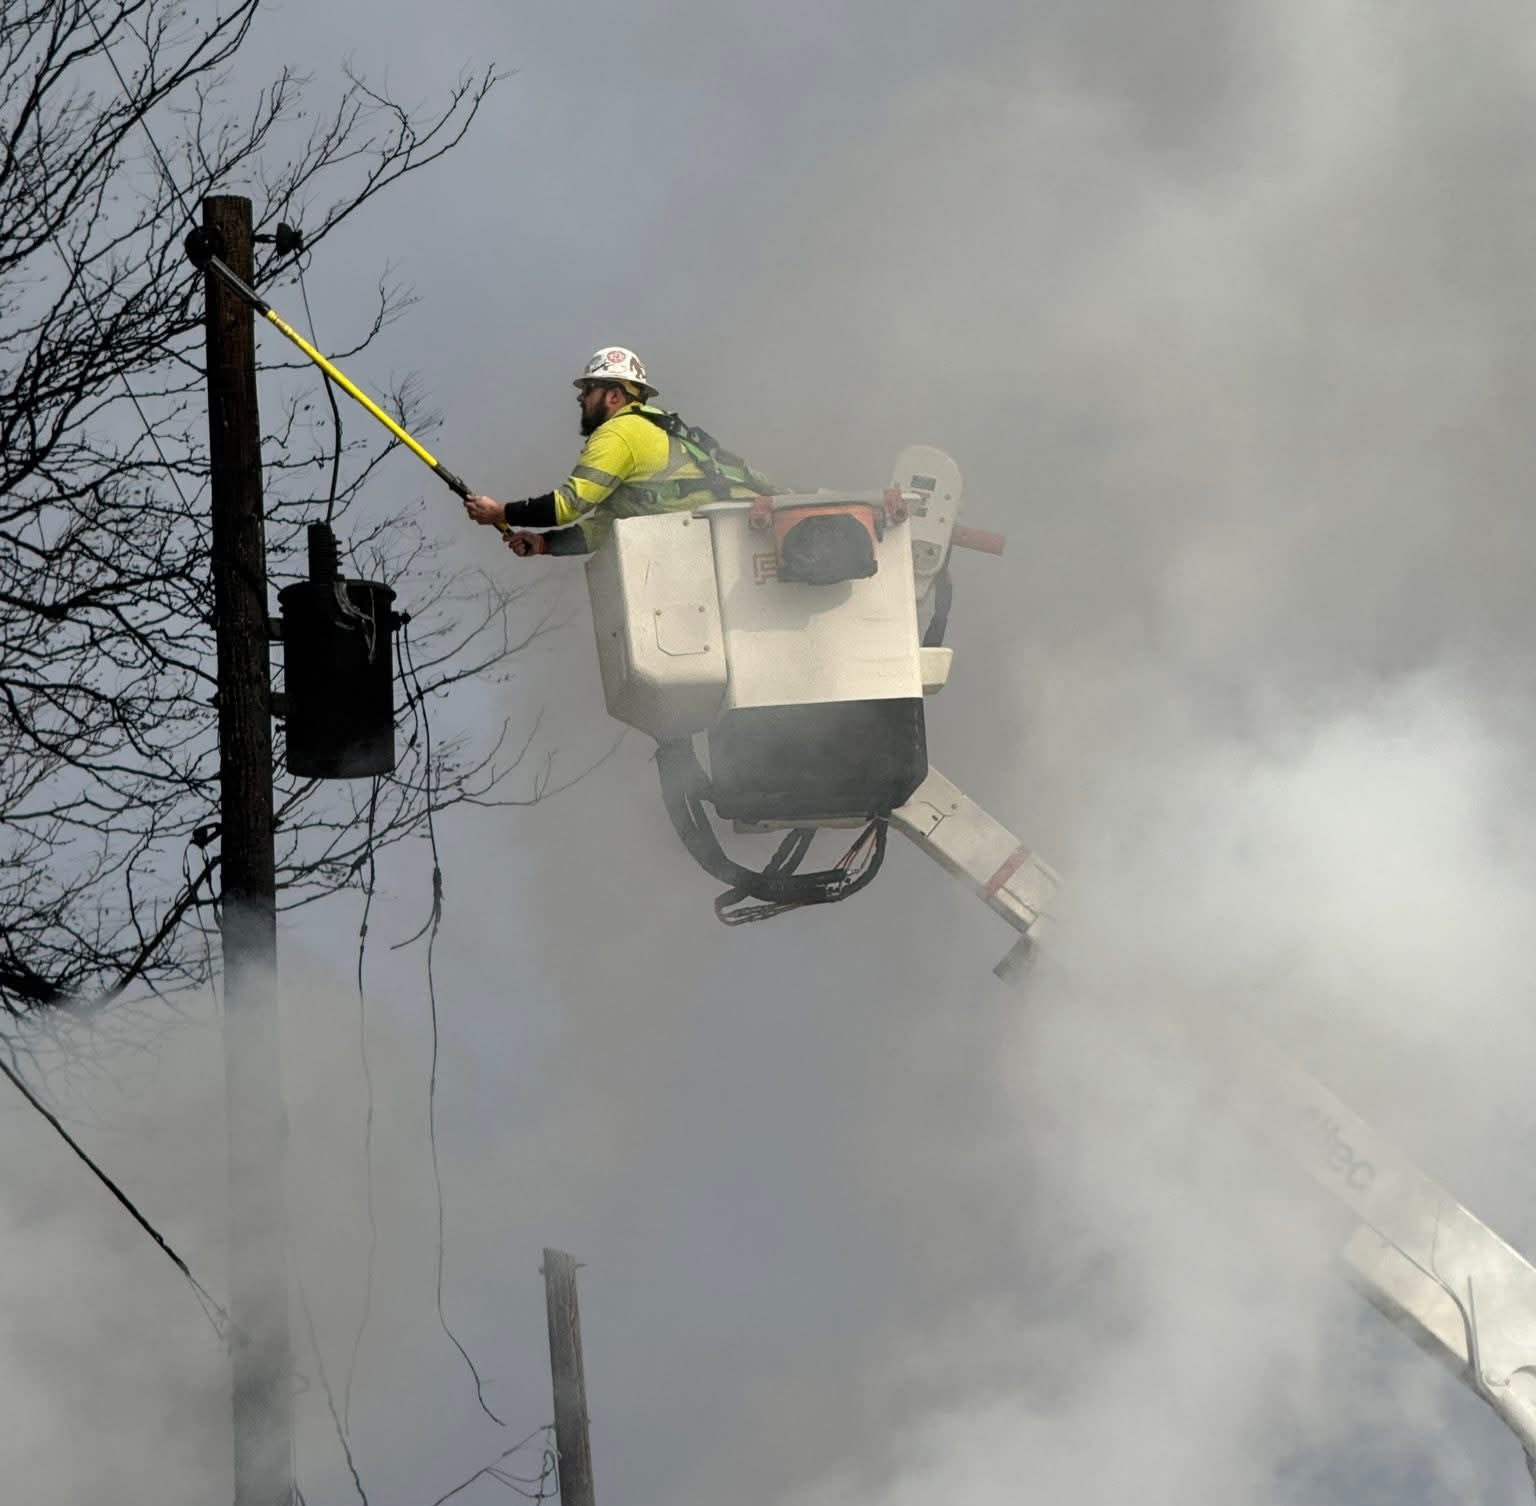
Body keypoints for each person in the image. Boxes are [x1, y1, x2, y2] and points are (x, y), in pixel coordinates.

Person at [462, 347, 775, 556]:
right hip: (736, 536)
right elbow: (605, 529)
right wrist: (544, 543)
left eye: (588, 390)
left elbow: (568, 505)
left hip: (729, 539)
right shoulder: (648, 427)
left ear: (614, 396)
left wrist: (500, 512)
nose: (580, 399)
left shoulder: (619, 433)